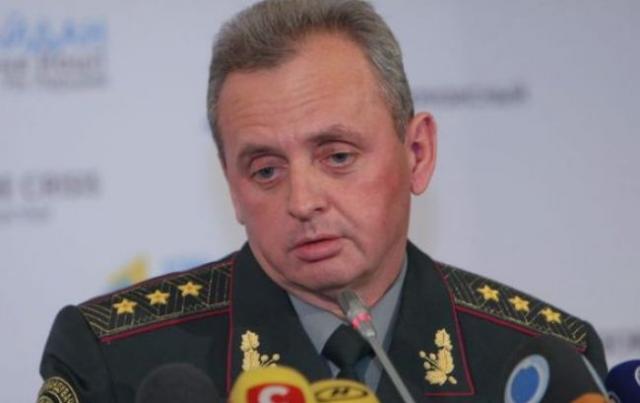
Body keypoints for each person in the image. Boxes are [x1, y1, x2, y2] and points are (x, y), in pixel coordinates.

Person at [37, 1, 607, 402]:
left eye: (337, 156)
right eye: (266, 170)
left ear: (418, 152)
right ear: (232, 186)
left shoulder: (544, 365)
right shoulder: (113, 357)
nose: (303, 201)